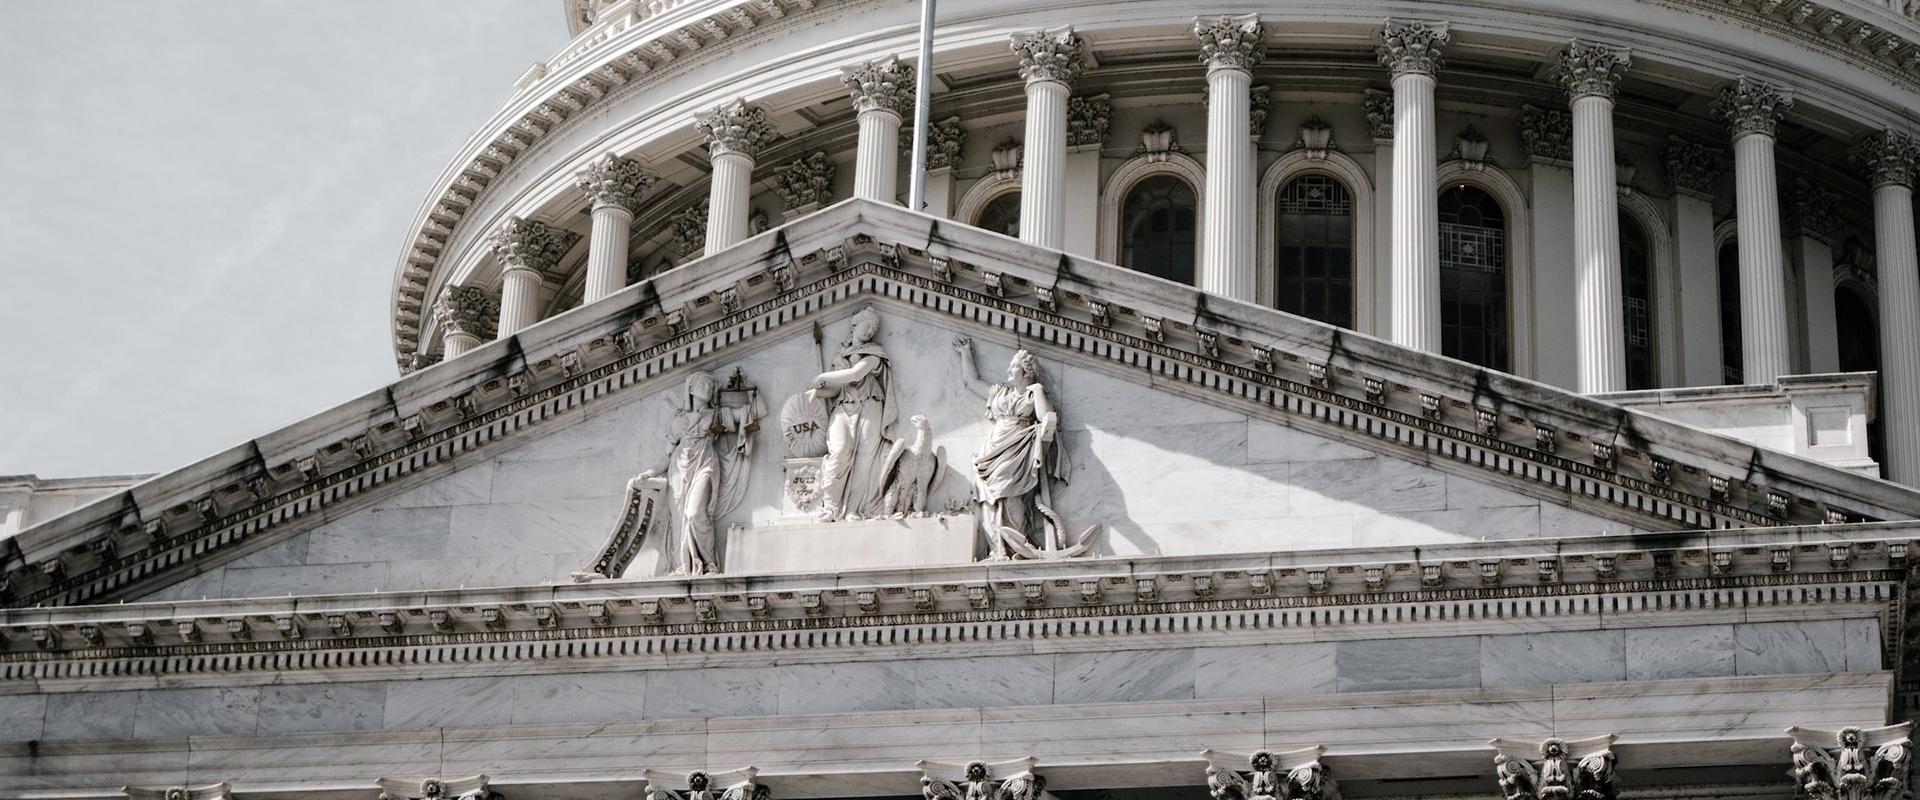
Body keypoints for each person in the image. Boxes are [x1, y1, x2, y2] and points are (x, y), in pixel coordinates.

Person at [951, 337, 1070, 558]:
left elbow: (1047, 419)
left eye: (1014, 366)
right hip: (993, 450)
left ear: (1026, 372)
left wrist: (1039, 392)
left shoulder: (1032, 394)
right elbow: (972, 382)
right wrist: (966, 352)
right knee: (989, 499)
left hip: (1017, 451)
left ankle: (1018, 546)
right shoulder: (1000, 393)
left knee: (1012, 495)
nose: (1009, 369)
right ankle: (997, 548)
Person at [633, 370, 761, 574]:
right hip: (679, 469)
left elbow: (755, 412)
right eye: (704, 384)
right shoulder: (679, 422)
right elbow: (667, 455)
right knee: (679, 519)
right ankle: (682, 565)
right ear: (691, 389)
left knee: (694, 514)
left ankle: (707, 563)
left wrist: (748, 388)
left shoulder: (716, 415)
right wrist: (649, 472)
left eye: (711, 386)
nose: (709, 388)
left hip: (705, 465)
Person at [806, 306, 894, 521]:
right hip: (843, 407)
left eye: (875, 327)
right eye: (869, 324)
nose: (871, 330)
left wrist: (823, 375)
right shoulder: (840, 354)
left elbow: (855, 375)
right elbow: (835, 389)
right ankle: (831, 508)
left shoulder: (875, 352)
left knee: (864, 459)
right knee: (839, 451)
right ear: (855, 324)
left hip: (869, 405)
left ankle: (854, 509)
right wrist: (818, 390)